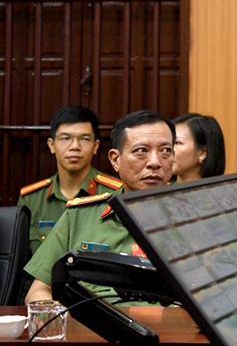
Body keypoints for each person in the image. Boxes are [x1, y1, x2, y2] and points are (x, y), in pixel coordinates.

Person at [24, 110, 176, 304]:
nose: (155, 162)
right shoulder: (79, 217)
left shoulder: (198, 219)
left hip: (174, 331)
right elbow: (38, 292)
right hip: (93, 330)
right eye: (141, 151)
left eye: (165, 151)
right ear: (115, 159)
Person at [17, 106, 123, 257]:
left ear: (96, 146)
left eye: (84, 139)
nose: (75, 147)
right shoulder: (31, 198)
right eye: (66, 138)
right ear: (51, 145)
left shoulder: (116, 194)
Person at [172, 113, 226, 182]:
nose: (168, 150)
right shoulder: (160, 188)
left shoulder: (220, 191)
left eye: (177, 143)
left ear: (203, 153)